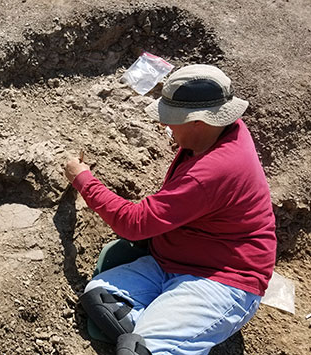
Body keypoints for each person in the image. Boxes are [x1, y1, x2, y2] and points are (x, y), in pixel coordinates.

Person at [63, 64, 276, 355]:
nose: (166, 126)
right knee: (101, 297)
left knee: (140, 349)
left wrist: (82, 178)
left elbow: (133, 223)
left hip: (223, 280)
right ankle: (178, 333)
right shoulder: (220, 131)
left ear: (198, 122)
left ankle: (168, 337)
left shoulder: (212, 171)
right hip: (173, 261)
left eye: (172, 119)